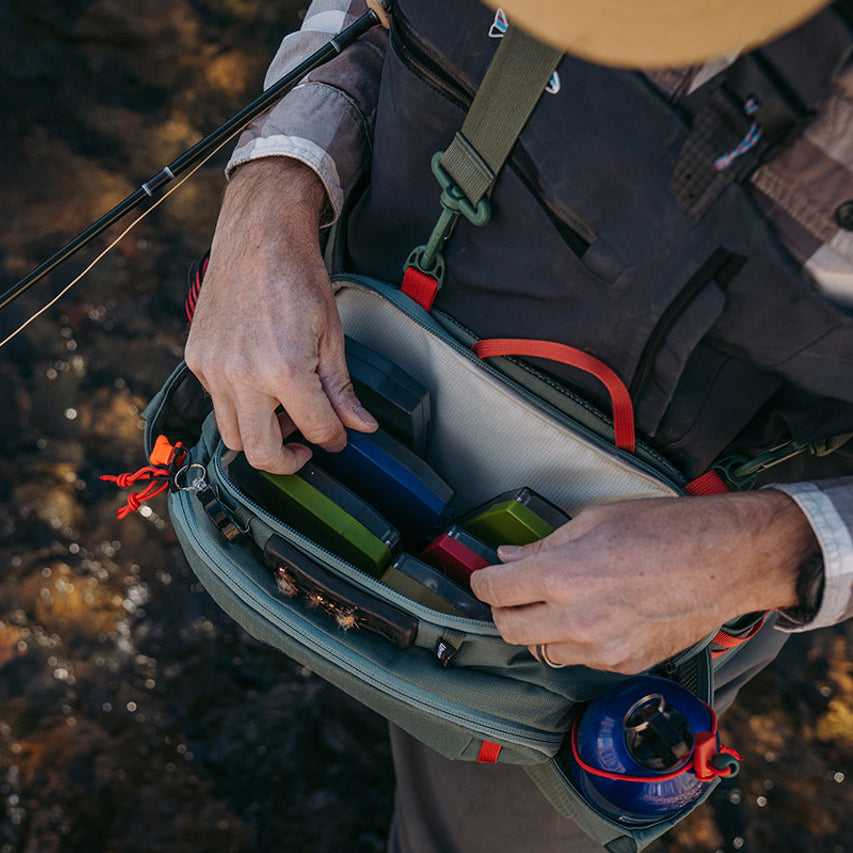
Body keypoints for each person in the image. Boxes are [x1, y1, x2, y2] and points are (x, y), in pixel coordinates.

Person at [184, 0, 853, 848]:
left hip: (613, 621)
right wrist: (269, 193)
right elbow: (365, 16)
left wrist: (767, 554)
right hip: (348, 349)